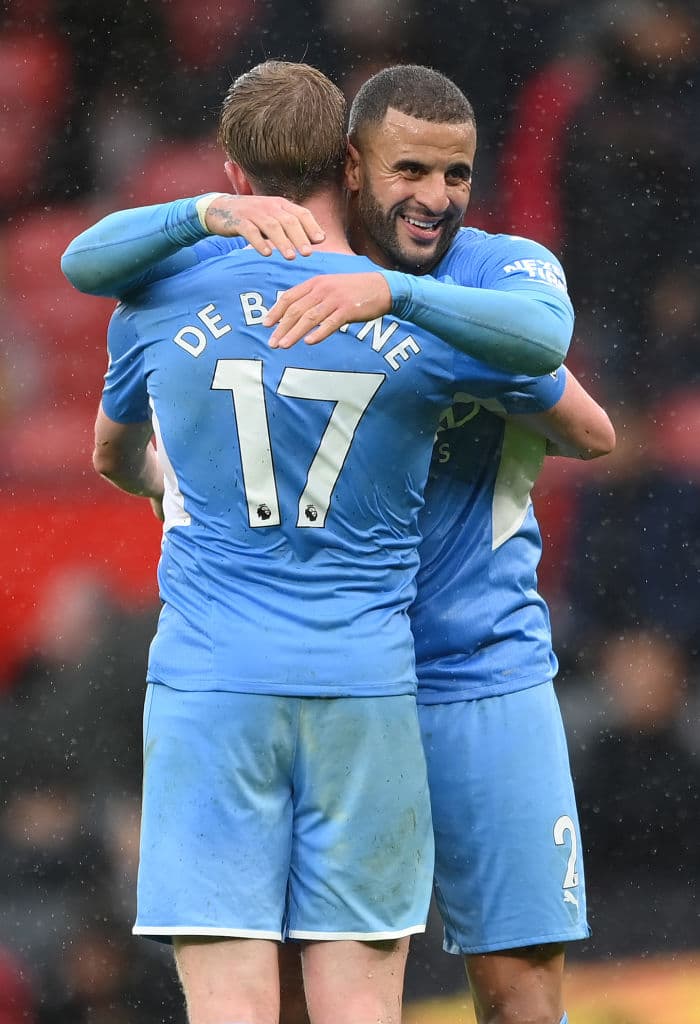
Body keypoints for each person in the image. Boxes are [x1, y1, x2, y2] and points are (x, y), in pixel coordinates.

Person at [61, 64, 615, 1024]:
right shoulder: (310, 294)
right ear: (350, 166)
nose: (435, 199)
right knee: (331, 983)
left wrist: (395, 296)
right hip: (369, 670)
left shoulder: (484, 272)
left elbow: (571, 391)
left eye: (456, 175)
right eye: (411, 171)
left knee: (516, 986)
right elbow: (585, 423)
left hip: (473, 664)